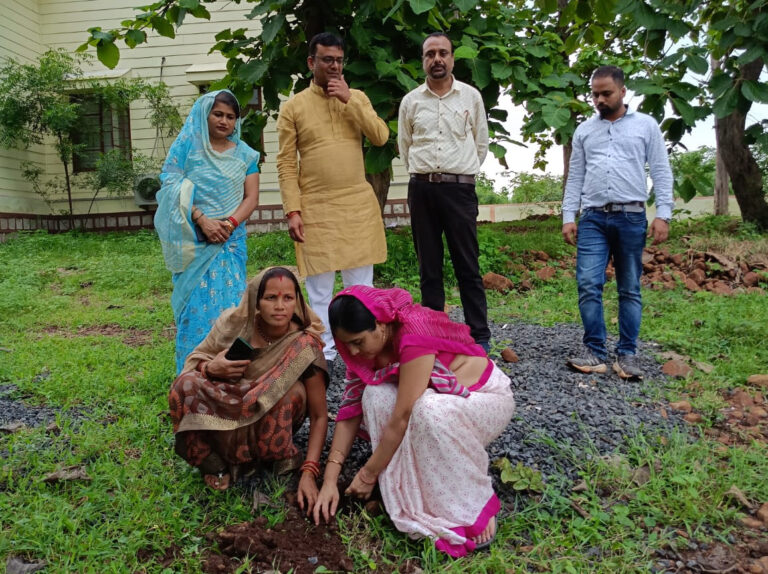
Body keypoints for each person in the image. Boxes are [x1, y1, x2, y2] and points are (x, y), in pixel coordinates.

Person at [312, 286, 515, 557]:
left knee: (427, 409)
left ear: (381, 325)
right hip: (435, 402)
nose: (352, 351)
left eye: (358, 341)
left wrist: (367, 474)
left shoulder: (414, 332)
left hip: (482, 400)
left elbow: (402, 417)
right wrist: (329, 479)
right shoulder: (364, 352)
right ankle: (406, 491)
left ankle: (472, 506)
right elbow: (349, 413)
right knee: (374, 395)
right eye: (345, 343)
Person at [169, 267, 329, 513]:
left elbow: (319, 415)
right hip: (229, 406)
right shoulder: (234, 324)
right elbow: (195, 361)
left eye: (288, 298)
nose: (280, 306)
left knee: (291, 392)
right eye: (270, 298)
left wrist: (309, 470)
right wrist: (212, 368)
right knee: (185, 385)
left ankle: (275, 458)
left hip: (269, 421)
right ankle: (216, 464)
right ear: (256, 301)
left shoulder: (304, 344)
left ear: (297, 301)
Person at [277, 32, 389, 363]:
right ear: (312, 63)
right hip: (316, 207)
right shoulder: (294, 106)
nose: (335, 66)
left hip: (356, 204)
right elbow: (285, 163)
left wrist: (349, 100)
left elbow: (380, 136)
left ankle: (362, 347)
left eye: (339, 60)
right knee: (320, 289)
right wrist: (292, 210)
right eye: (327, 60)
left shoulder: (357, 97)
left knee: (360, 287)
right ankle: (325, 353)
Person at [562, 65, 674, 380]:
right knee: (587, 283)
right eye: (595, 94)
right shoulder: (584, 130)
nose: (599, 99)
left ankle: (627, 354)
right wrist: (569, 216)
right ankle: (595, 350)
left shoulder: (646, 126)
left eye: (606, 93)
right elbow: (576, 177)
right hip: (594, 218)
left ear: (623, 91)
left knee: (629, 288)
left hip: (631, 216)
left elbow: (661, 170)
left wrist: (663, 214)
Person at [155, 89, 260, 374]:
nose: (224, 121)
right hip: (196, 240)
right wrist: (202, 219)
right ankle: (191, 378)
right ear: (205, 114)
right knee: (193, 310)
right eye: (218, 114)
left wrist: (228, 225)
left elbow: (251, 198)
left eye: (231, 116)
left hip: (230, 241)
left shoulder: (247, 154)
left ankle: (229, 376)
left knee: (231, 310)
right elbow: (170, 184)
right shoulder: (188, 148)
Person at [398, 32, 491, 351]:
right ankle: (433, 335)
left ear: (452, 58)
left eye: (443, 53)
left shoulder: (471, 97)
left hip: (459, 192)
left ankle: (479, 335)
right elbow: (404, 145)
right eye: (429, 54)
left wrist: (457, 173)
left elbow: (481, 145)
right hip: (421, 189)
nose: (436, 59)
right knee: (429, 266)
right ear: (423, 60)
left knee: (468, 264)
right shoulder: (411, 101)